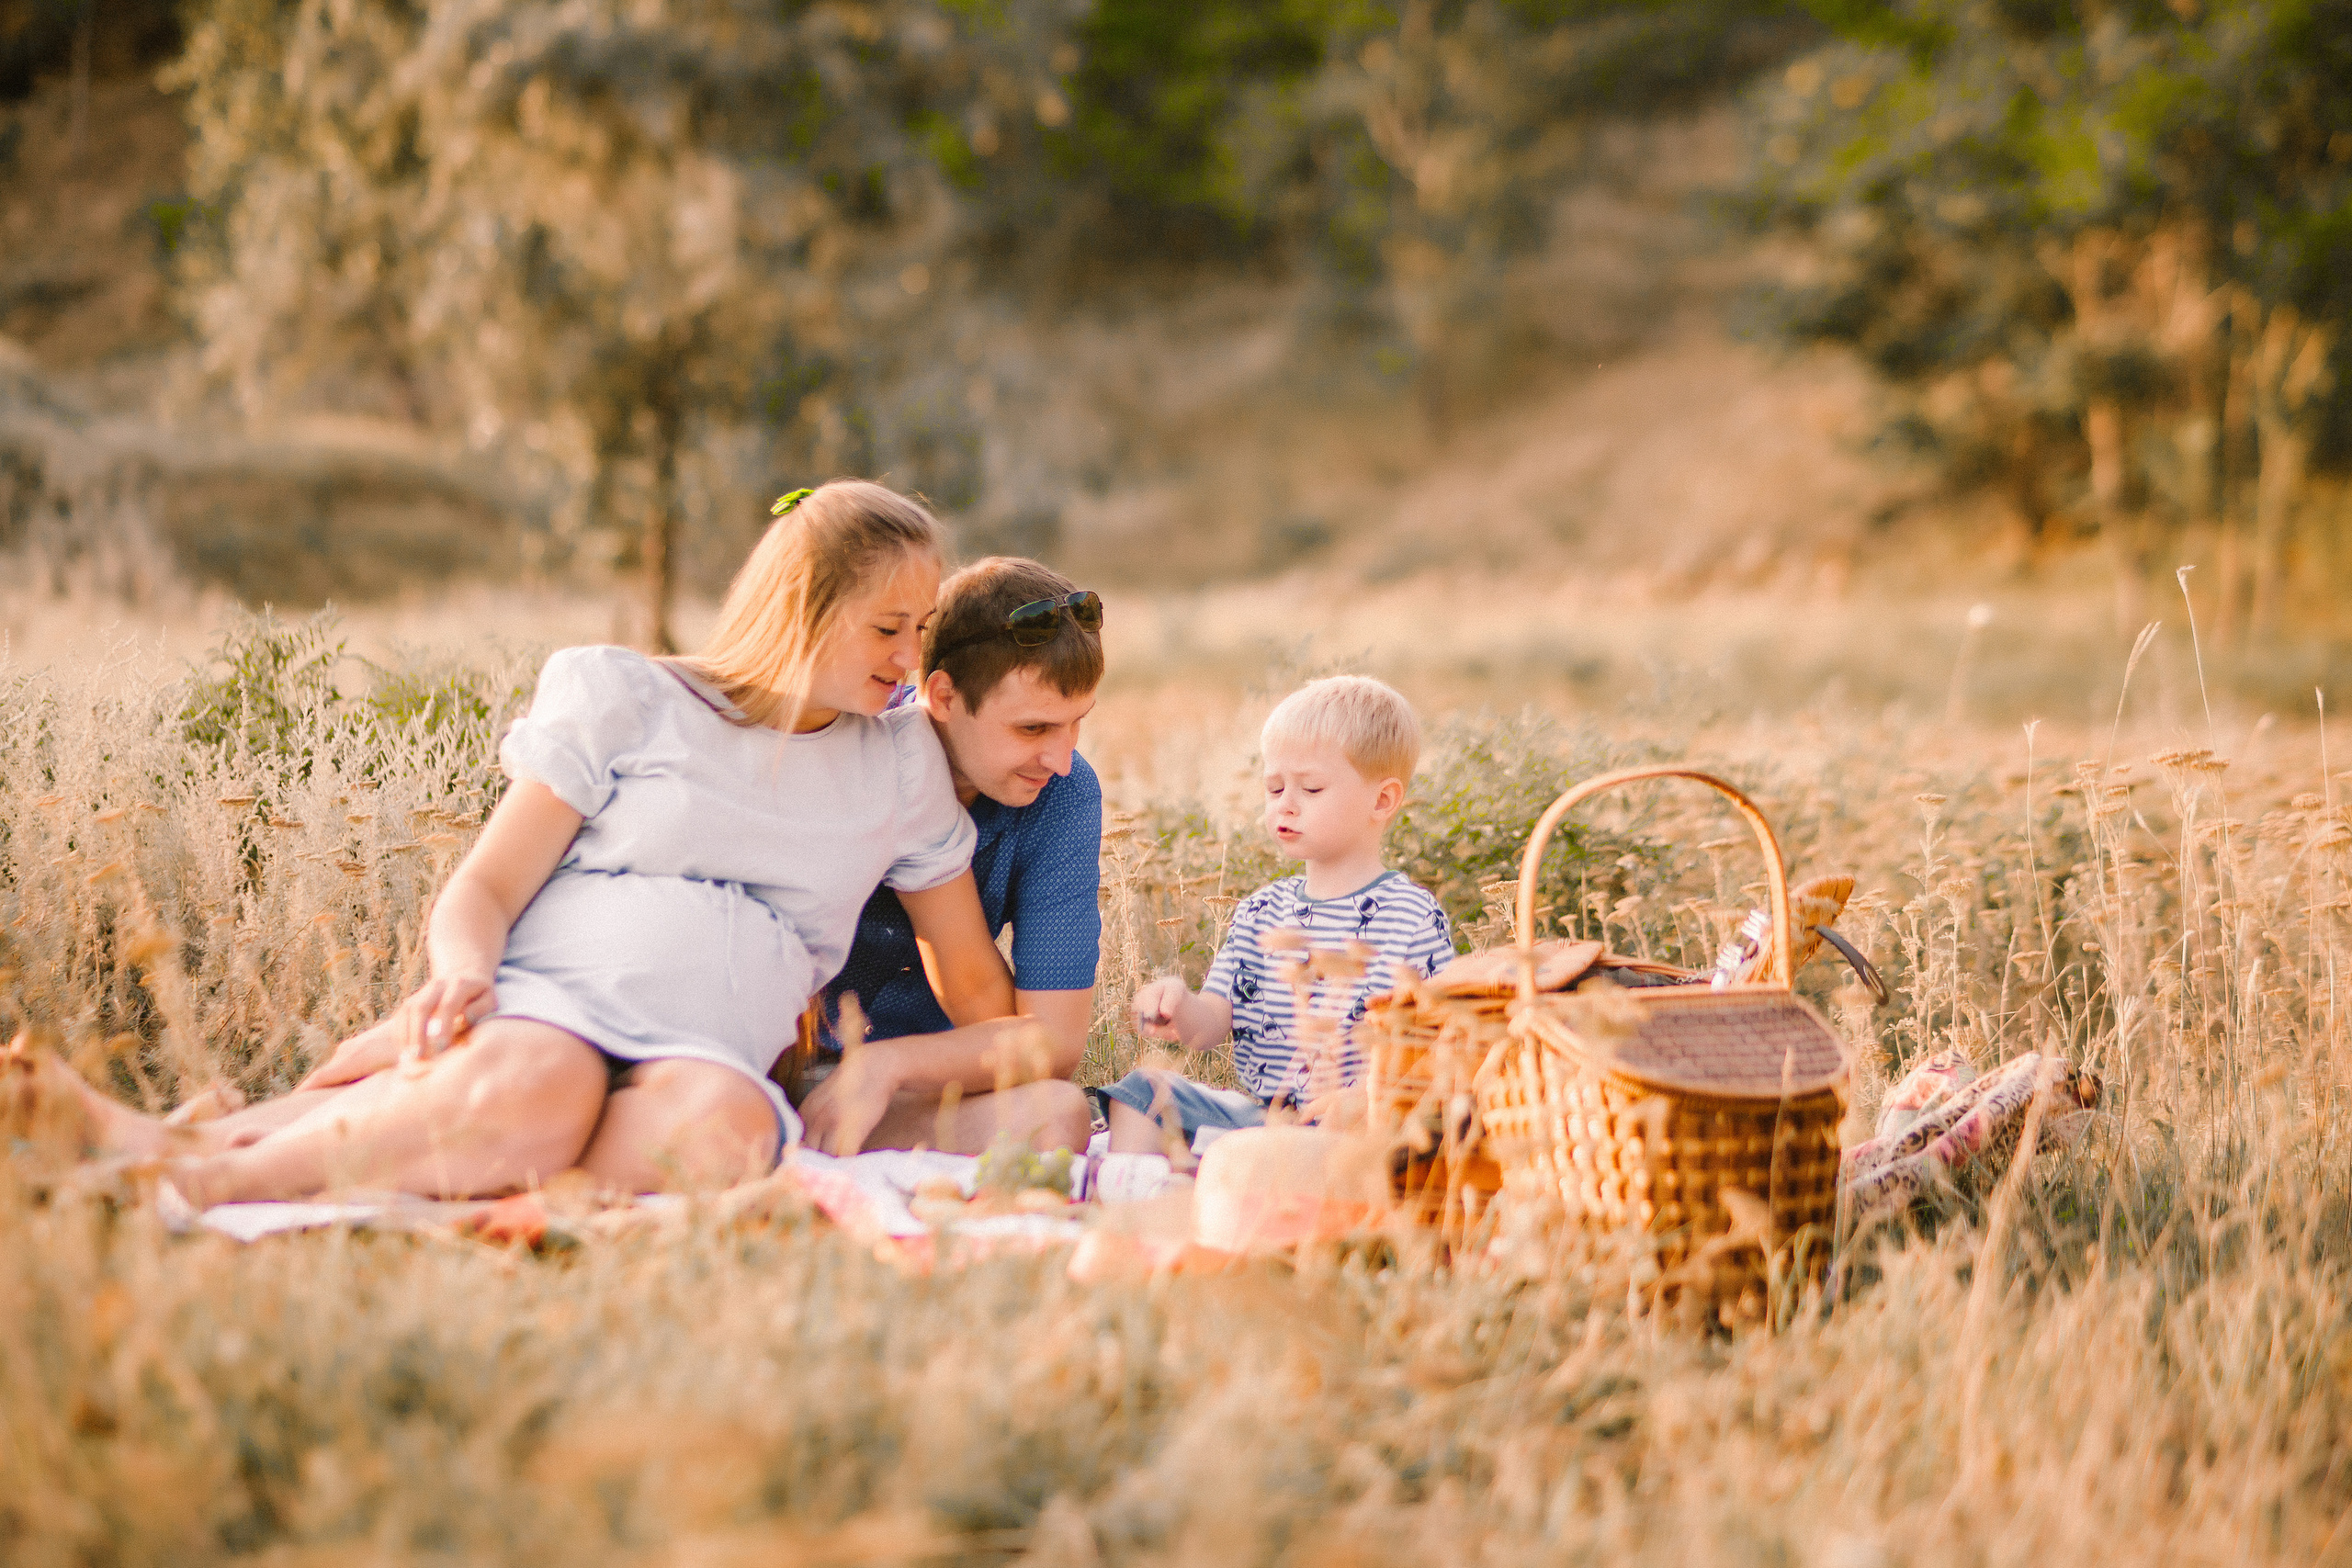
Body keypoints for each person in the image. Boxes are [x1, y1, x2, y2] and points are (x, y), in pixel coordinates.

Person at [67, 480, 1034, 1202]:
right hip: (556, 1004)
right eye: (888, 629)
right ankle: (209, 1181)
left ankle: (241, 1148)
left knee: (730, 1136)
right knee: (544, 1083)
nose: (912, 660)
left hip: (710, 1052)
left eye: (922, 628)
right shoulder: (627, 696)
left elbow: (976, 989)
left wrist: (962, 1055)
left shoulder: (899, 766)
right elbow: (484, 888)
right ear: (802, 609)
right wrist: (460, 973)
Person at [797, 557, 1104, 1158]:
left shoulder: (1065, 793)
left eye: (1077, 725)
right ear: (942, 695)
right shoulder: (851, 747)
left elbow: (1055, 1042)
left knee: (1057, 1115)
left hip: (927, 1084)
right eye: (1033, 728)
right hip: (778, 1066)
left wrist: (889, 1066)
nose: (1062, 757)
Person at [1108, 676, 1456, 1175]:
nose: (1285, 804)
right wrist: (1177, 1005)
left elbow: (1440, 1043)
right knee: (1141, 1092)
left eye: (1310, 788)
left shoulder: (1412, 915)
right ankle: (1130, 1200)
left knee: (1279, 1164)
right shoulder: (1259, 913)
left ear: (1382, 801)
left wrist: (1366, 1098)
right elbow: (1211, 1024)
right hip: (1263, 1121)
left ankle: (1208, 1190)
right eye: (1274, 788)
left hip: (1358, 1128)